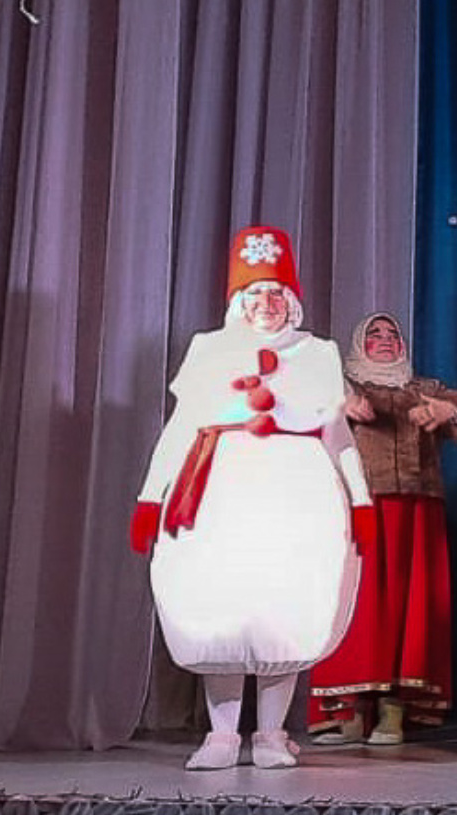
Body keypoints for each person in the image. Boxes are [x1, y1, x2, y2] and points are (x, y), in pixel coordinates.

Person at [130, 225, 374, 770]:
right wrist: (151, 496)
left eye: (276, 293)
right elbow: (182, 426)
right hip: (222, 489)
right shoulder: (211, 350)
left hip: (297, 491)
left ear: (291, 300)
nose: (267, 303)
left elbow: (337, 434)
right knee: (224, 608)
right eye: (256, 292)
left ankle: (269, 734)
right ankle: (221, 736)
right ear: (240, 301)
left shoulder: (317, 353)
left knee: (283, 611)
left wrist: (359, 500)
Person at [308, 313, 457, 746]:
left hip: (416, 512)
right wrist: (337, 408)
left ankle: (393, 710)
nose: (386, 339)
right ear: (360, 343)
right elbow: (298, 415)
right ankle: (350, 711)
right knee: (358, 608)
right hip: (359, 509)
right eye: (375, 333)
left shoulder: (422, 388)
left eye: (393, 333)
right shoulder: (341, 387)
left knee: (409, 609)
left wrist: (448, 410)